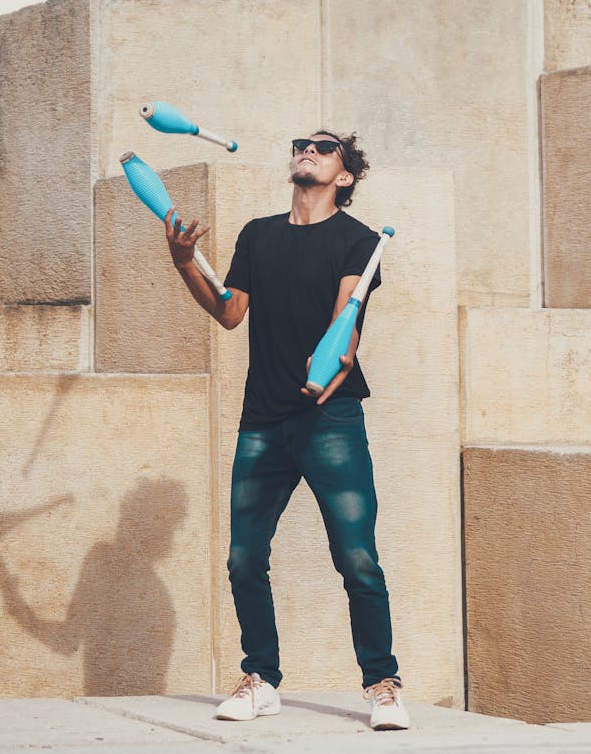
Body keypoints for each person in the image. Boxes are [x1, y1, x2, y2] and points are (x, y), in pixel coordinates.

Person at [165, 130, 409, 731]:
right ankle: (261, 679)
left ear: (345, 176)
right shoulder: (257, 233)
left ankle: (382, 683)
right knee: (244, 558)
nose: (308, 150)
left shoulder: (359, 242)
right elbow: (229, 311)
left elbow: (346, 319)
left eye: (324, 148)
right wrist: (182, 263)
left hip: (330, 417)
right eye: (302, 144)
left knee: (357, 560)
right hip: (263, 419)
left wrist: (339, 354)